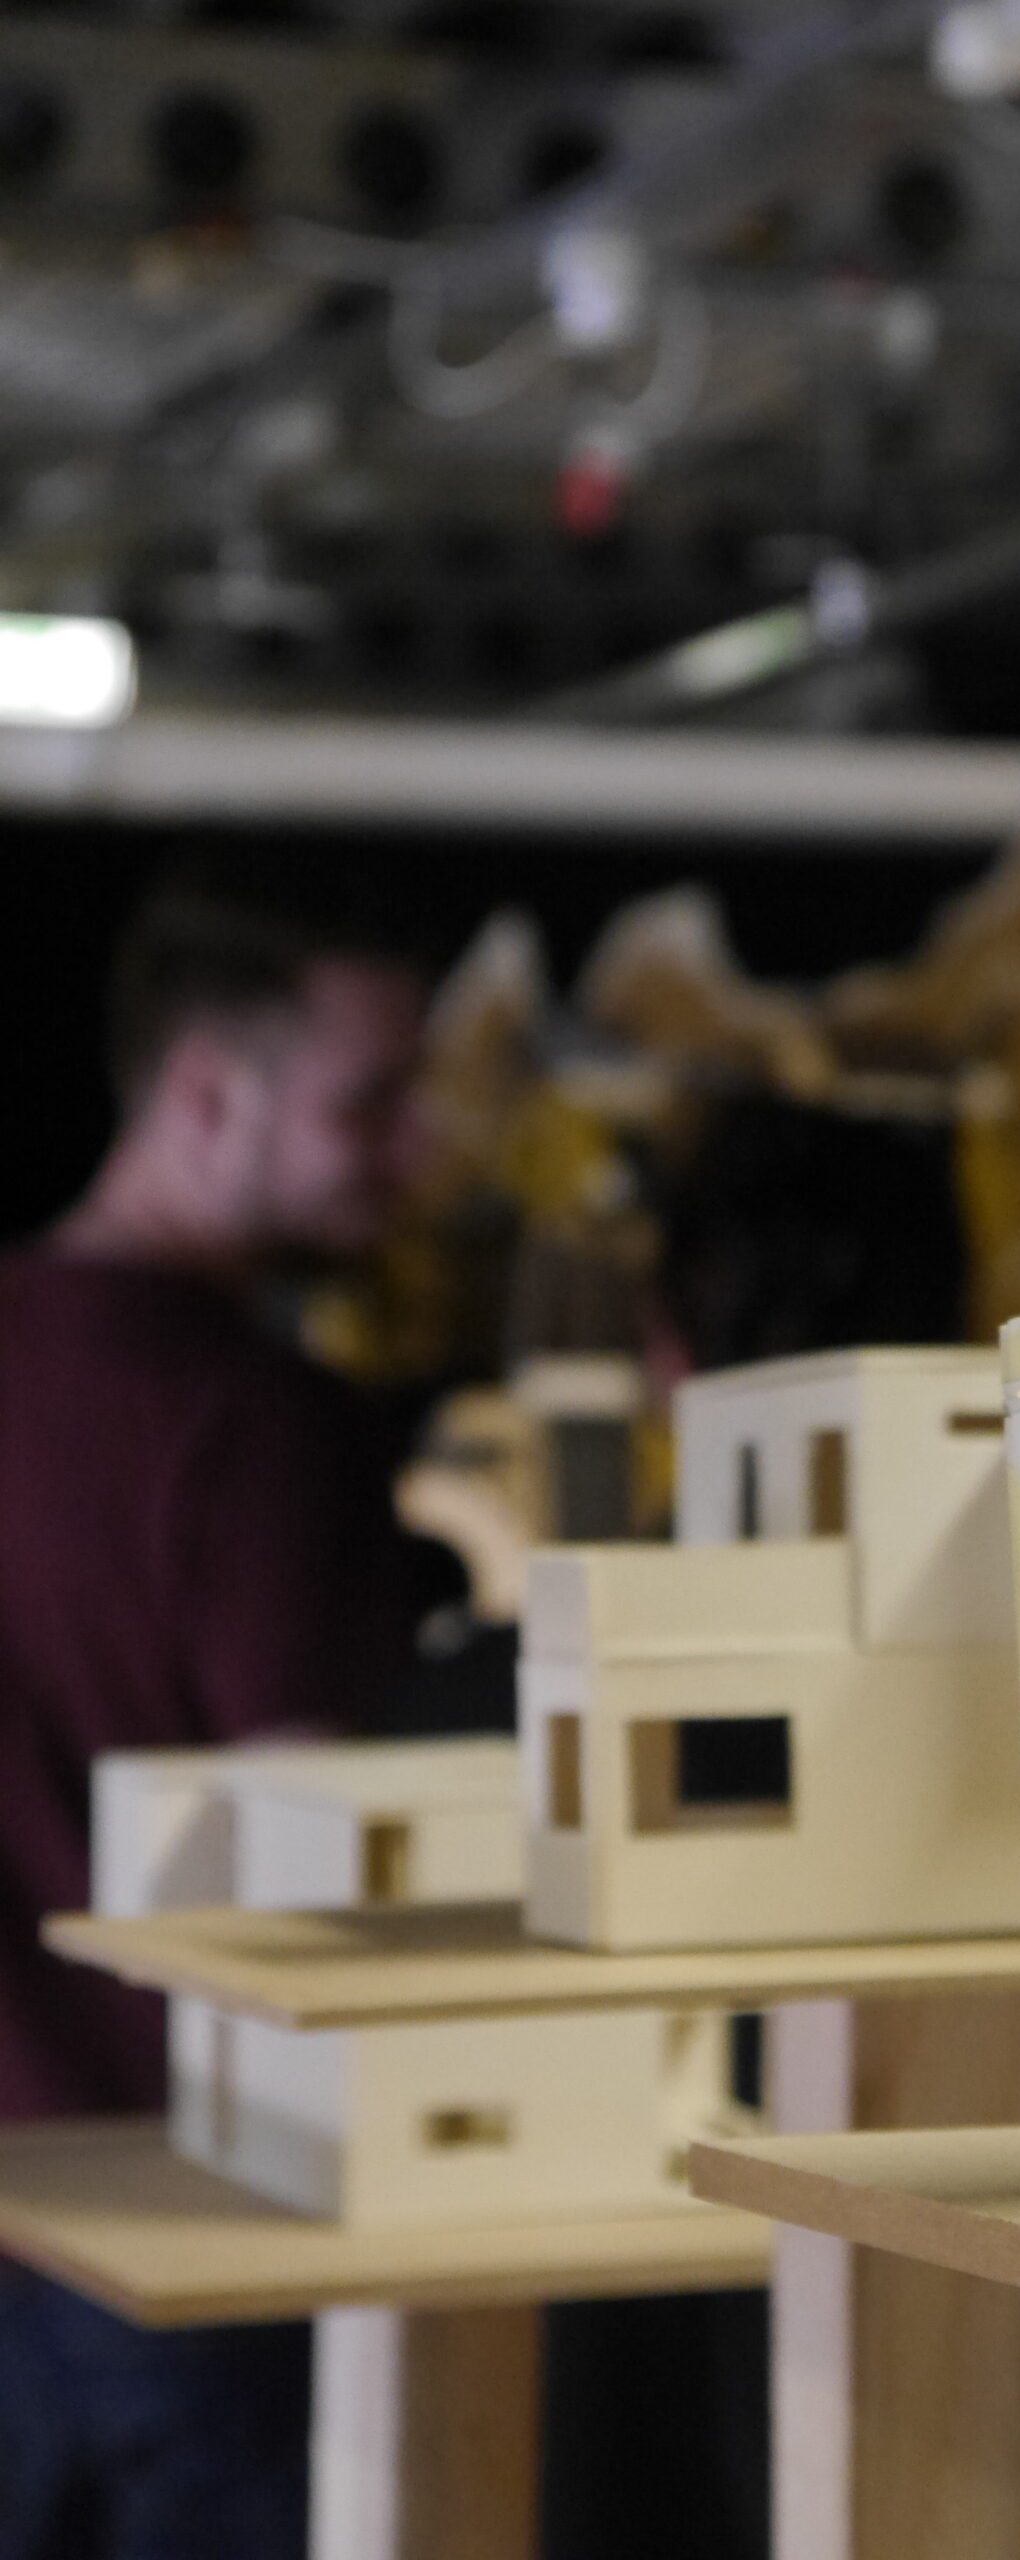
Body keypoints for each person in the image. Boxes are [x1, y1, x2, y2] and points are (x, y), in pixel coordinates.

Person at [0, 871, 439, 2560]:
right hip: (189, 2241)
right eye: (369, 1104)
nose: (411, 1155)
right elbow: (307, 1861)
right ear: (204, 1094)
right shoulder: (258, 1426)